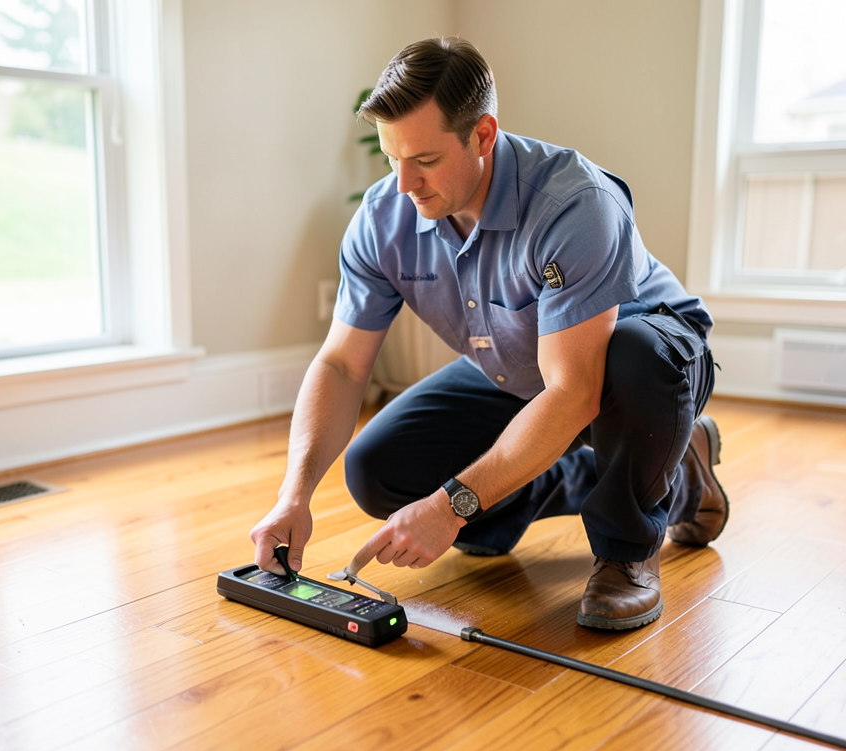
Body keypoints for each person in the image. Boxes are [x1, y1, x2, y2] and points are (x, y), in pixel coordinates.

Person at [250, 37, 728, 631]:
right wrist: (293, 495)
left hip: (645, 355)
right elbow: (343, 366)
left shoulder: (573, 204)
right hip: (521, 365)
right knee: (379, 467)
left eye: (424, 161)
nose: (404, 185)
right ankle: (665, 465)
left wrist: (453, 505)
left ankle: (630, 547)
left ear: (482, 135)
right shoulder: (383, 219)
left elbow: (575, 390)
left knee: (632, 360)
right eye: (391, 159)